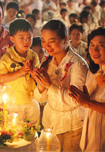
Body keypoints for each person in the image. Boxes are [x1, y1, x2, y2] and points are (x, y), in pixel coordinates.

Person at [69, 27, 105, 152]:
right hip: (91, 130)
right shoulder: (94, 69)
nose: (94, 50)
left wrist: (88, 103)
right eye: (91, 45)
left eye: (101, 45)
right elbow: (87, 97)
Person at [32, 20, 88, 152]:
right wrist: (40, 84)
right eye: (44, 41)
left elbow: (75, 100)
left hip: (72, 124)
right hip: (51, 122)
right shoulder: (47, 62)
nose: (47, 46)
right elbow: (41, 99)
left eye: (52, 41)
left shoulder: (78, 65)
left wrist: (50, 85)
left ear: (65, 39)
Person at [0, 19, 40, 122]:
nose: (26, 41)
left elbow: (39, 76)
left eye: (29, 38)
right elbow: (2, 78)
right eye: (21, 38)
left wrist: (31, 70)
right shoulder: (7, 58)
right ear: (12, 39)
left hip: (32, 100)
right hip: (14, 102)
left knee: (33, 131)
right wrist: (20, 72)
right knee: (15, 132)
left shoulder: (33, 55)